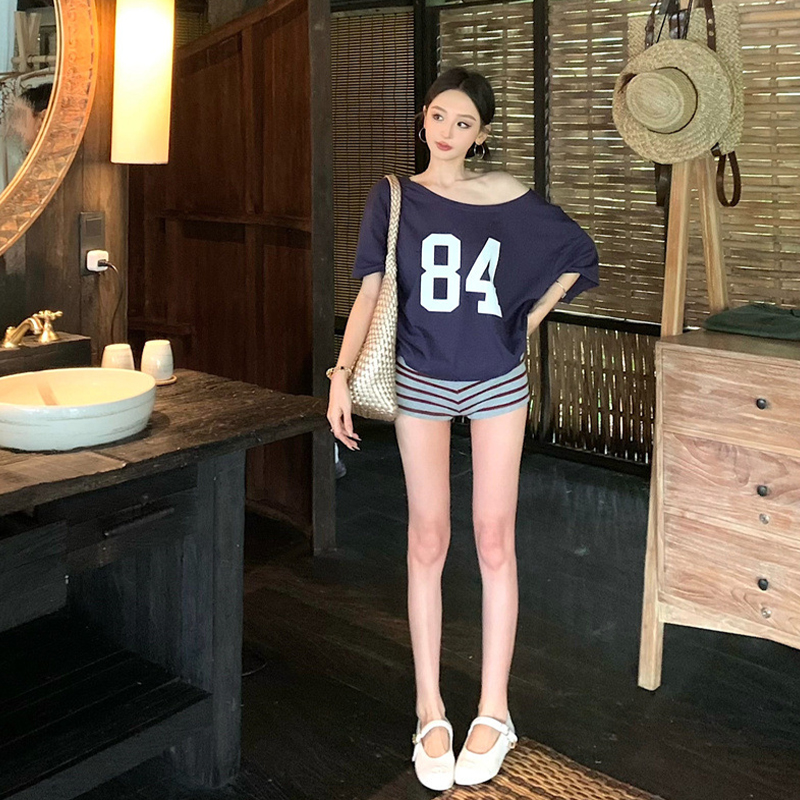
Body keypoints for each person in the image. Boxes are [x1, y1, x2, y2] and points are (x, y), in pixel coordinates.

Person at [326, 67, 599, 791]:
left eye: (464, 123)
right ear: (424, 117)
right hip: (419, 378)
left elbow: (577, 254)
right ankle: (430, 710)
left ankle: (494, 711)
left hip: (498, 383)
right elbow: (371, 292)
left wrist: (525, 323)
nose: (447, 131)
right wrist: (340, 376)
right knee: (427, 538)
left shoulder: (505, 194)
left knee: (494, 538)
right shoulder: (393, 196)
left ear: (481, 136)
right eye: (439, 116)